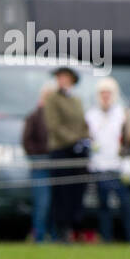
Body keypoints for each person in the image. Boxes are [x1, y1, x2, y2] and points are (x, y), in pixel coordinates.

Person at [85, 77, 130, 243]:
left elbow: (129, 141)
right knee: (103, 206)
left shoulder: (123, 114)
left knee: (125, 205)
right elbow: (87, 138)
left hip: (118, 166)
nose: (105, 97)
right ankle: (106, 238)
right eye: (102, 93)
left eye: (108, 93)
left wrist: (129, 162)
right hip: (99, 166)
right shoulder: (91, 115)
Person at [42, 65, 90, 242]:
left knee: (77, 191)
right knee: (61, 192)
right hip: (61, 150)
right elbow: (54, 126)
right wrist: (73, 140)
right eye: (59, 77)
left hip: (77, 152)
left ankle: (75, 228)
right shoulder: (53, 99)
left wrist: (85, 139)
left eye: (65, 77)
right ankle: (60, 230)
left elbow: (83, 123)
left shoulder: (76, 100)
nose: (62, 80)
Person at [21, 81, 58, 243]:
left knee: (54, 203)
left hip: (56, 166)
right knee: (41, 203)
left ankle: (54, 235)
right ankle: (39, 236)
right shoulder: (34, 117)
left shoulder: (58, 117)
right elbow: (26, 142)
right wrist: (40, 155)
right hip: (40, 166)